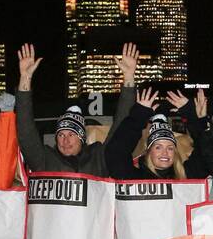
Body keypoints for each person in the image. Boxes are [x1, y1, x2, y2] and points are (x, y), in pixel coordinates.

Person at [15, 42, 136, 174]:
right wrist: (25, 78)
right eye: (61, 134)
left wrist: (129, 77)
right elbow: (26, 131)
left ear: (82, 137)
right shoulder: (44, 159)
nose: (65, 140)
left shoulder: (99, 157)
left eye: (71, 134)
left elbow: (121, 129)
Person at [105, 87, 211, 180]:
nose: (165, 153)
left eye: (170, 148)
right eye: (158, 147)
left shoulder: (188, 176)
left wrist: (198, 121)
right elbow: (116, 152)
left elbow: (208, 155)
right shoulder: (134, 177)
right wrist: (138, 116)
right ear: (149, 151)